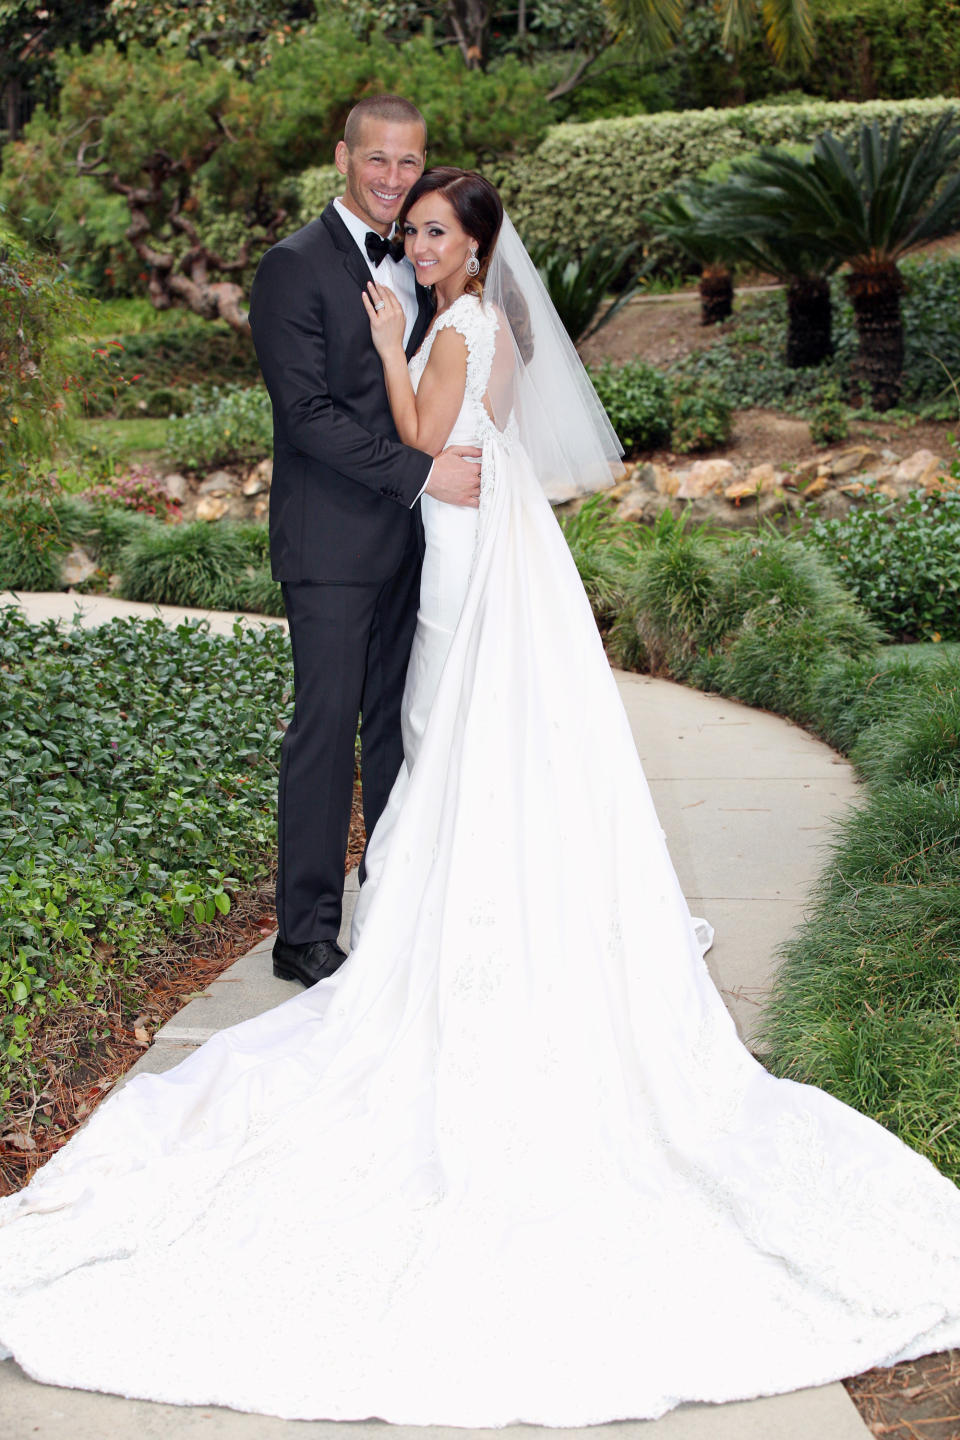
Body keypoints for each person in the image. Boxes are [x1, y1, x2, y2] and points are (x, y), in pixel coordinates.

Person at [2, 167, 960, 1427]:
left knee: (446, 728)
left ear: (473, 248)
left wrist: (397, 341)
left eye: (434, 232)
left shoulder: (456, 324)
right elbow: (478, 436)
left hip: (457, 544)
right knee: (455, 734)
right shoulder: (495, 325)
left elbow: (416, 434)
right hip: (480, 527)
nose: (415, 241)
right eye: (412, 230)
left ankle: (450, 915)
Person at [248, 95, 481, 991]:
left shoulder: (427, 261)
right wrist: (421, 476)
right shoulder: (293, 267)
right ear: (343, 156)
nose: (393, 179)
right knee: (325, 729)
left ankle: (387, 903)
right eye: (378, 160)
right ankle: (303, 932)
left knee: (394, 728)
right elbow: (305, 416)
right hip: (331, 545)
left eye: (410, 163)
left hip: (416, 543)